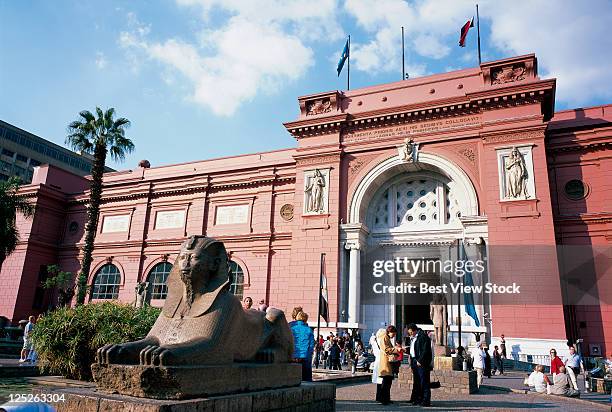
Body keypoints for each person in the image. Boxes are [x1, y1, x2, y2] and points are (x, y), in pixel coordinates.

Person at [406, 323, 432, 407]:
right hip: (414, 360)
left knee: (424, 381)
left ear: (414, 330)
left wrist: (420, 360)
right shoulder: (414, 337)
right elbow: (414, 349)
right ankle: (417, 399)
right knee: (417, 381)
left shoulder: (423, 336)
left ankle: (425, 400)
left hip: (421, 362)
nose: (410, 334)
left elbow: (425, 350)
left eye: (410, 332)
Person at [375, 326, 400, 406]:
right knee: (386, 382)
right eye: (394, 333)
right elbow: (386, 349)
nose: (394, 335)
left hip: (387, 362)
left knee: (387, 382)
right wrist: (396, 349)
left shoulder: (386, 337)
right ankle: (384, 399)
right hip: (386, 362)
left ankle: (386, 399)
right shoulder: (384, 337)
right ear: (390, 331)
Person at [290, 311, 314, 381]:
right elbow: (311, 345)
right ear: (305, 319)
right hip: (306, 356)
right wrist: (309, 354)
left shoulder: (292, 329)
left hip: (294, 356)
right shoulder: (309, 330)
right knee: (307, 379)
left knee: (294, 378)